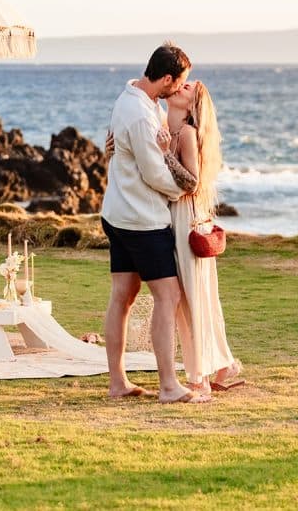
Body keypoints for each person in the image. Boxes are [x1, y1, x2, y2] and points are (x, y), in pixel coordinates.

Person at [100, 42, 209, 404]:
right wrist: (180, 194)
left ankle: (118, 382)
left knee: (123, 297)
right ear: (165, 78)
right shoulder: (142, 115)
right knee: (168, 296)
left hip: (116, 213)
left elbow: (125, 153)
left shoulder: (132, 97)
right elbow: (155, 174)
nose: (181, 88)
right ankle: (168, 386)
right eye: (180, 82)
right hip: (141, 220)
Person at [164, 79, 244, 396]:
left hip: (185, 220)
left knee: (191, 300)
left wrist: (164, 155)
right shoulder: (165, 125)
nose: (178, 88)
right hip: (177, 218)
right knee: (194, 299)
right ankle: (221, 364)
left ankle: (200, 377)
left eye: (185, 89)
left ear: (191, 106)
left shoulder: (185, 133)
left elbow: (192, 183)